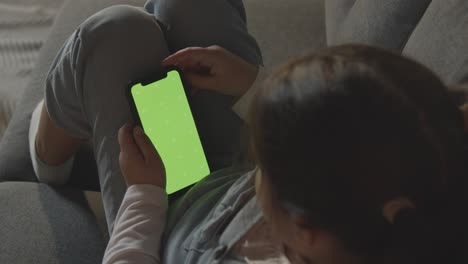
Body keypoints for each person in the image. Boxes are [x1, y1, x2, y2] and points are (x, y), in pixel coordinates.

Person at [28, 1, 467, 264]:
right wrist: (248, 84)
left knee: (117, 34)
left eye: (265, 158)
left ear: (302, 228)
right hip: (220, 185)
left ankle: (51, 149)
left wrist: (145, 195)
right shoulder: (424, 177)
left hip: (172, 196)